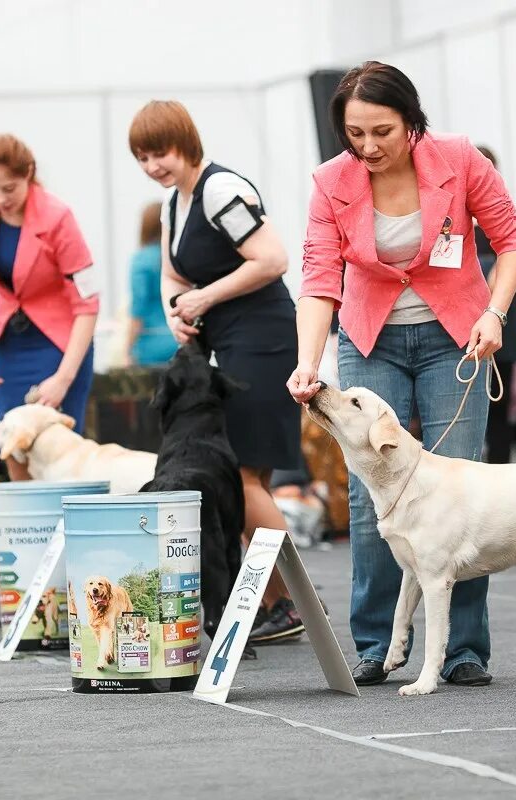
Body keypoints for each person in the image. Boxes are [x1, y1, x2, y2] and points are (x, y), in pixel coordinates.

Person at [287, 61, 516, 686]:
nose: (368, 147)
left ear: (412, 122)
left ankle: (464, 650)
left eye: (383, 132)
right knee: (371, 501)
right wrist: (308, 362)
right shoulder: (331, 182)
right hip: (371, 342)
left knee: (460, 498)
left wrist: (495, 314)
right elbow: (318, 279)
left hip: (457, 338)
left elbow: (512, 241)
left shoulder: (460, 159)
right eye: (355, 134)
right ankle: (375, 644)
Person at [128, 100, 307, 643]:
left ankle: (300, 600)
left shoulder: (221, 190)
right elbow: (170, 274)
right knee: (252, 481)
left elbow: (272, 260)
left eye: (159, 152)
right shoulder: (172, 205)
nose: (153, 164)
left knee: (244, 478)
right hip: (223, 341)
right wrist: (176, 313)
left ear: (184, 143)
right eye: (141, 157)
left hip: (262, 338)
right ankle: (280, 605)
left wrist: (202, 297)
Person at [0, 133, 99, 480]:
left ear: (29, 174)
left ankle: (62, 534)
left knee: (57, 456)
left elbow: (88, 302)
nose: (1, 199)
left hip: (60, 346)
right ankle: (27, 536)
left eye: (10, 188)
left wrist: (64, 378)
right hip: (8, 344)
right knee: (12, 451)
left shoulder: (57, 217)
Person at [474, 145, 516, 465]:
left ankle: (497, 469)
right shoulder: (449, 221)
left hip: (496, 326)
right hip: (458, 327)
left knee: (498, 410)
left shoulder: (500, 220)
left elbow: (505, 270)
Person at [122, 202, 177, 367]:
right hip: (181, 342)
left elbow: (138, 309)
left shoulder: (142, 260)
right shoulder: (179, 256)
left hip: (151, 346)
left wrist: (127, 350)